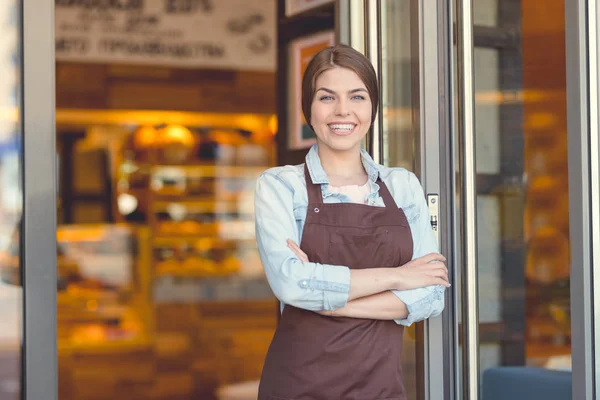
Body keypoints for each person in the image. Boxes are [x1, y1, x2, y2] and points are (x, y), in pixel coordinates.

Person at [254, 44, 449, 400]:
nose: (342, 110)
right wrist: (397, 277)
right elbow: (291, 284)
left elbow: (431, 295)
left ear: (372, 108)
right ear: (308, 110)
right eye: (327, 98)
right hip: (300, 385)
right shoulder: (281, 185)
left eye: (357, 96)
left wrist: (327, 298)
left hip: (381, 386)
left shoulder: (402, 185)